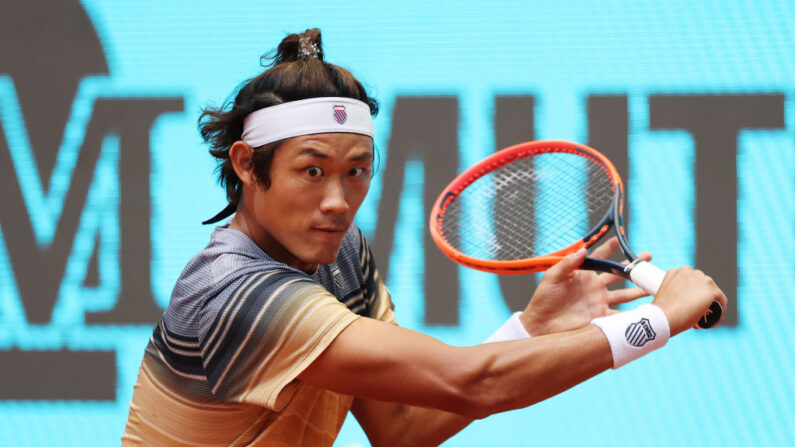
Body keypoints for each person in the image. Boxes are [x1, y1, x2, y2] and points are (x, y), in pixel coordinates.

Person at [121, 29, 727, 447]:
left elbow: (401, 428)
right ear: (249, 166)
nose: (338, 200)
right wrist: (657, 322)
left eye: (356, 171)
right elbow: (474, 382)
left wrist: (531, 330)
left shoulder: (341, 256)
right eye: (311, 171)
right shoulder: (235, 292)